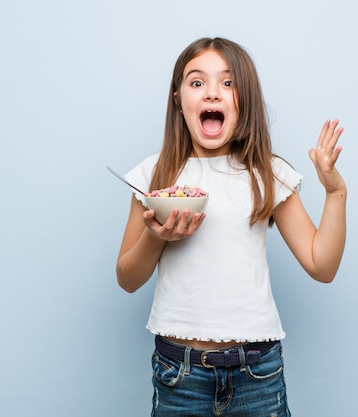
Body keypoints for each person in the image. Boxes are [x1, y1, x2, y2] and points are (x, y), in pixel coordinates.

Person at [117, 37, 346, 417]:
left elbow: (322, 266)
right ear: (177, 99)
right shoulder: (154, 174)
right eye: (196, 83)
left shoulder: (267, 173)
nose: (211, 94)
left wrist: (335, 193)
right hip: (179, 374)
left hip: (257, 374)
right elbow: (126, 278)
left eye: (227, 83)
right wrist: (155, 237)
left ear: (246, 101)